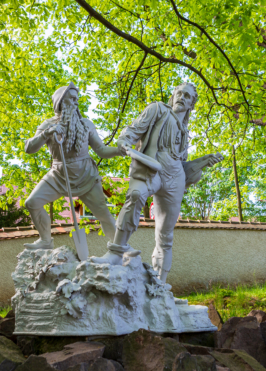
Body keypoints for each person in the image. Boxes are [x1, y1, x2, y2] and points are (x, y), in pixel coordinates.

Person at [91, 83, 223, 283]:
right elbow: (134, 130)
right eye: (179, 93)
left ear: (191, 105)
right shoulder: (158, 109)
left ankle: (160, 284)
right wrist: (125, 140)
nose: (181, 97)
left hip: (175, 177)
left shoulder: (185, 131)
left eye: (187, 96)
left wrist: (204, 161)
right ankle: (116, 253)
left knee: (166, 235)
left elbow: (182, 163)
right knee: (135, 195)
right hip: (150, 169)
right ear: (173, 95)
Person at [23, 82, 123, 250]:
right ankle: (46, 241)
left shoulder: (86, 124)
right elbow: (29, 148)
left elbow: (101, 150)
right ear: (60, 102)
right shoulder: (48, 125)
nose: (76, 102)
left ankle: (120, 248)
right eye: (72, 99)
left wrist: (120, 151)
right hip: (58, 174)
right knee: (32, 203)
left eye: (77, 99)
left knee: (103, 214)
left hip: (86, 175)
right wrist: (46, 133)